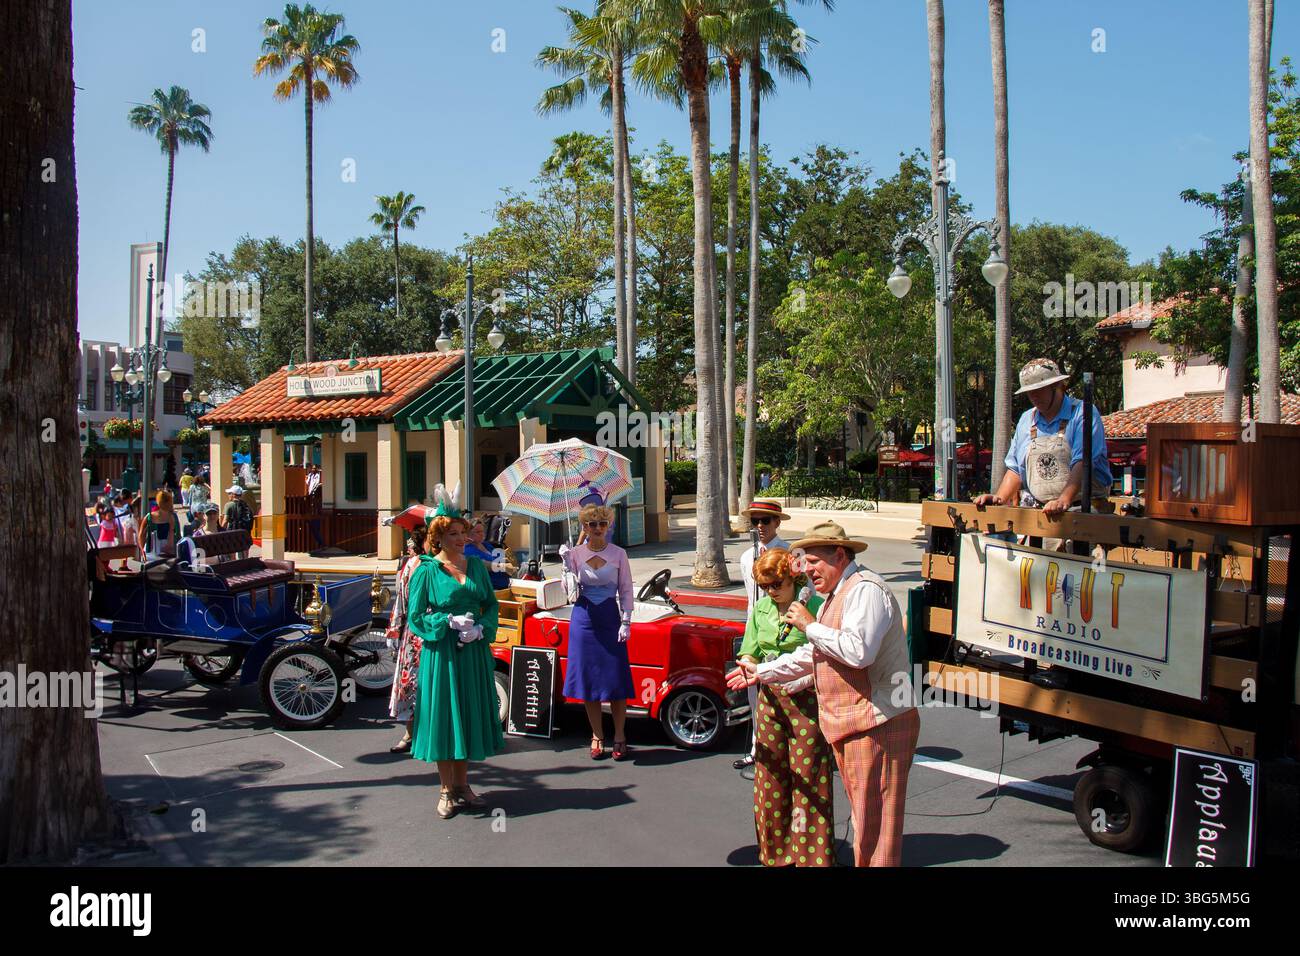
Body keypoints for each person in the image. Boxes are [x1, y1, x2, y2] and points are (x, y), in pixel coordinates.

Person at [734, 521, 919, 867]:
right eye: (804, 564)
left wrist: (808, 625)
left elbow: (857, 651)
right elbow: (814, 656)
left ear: (839, 554)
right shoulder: (835, 596)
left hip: (879, 720)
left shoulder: (865, 590)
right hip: (853, 721)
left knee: (876, 825)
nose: (807, 571)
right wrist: (763, 672)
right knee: (866, 821)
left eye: (814, 562)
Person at [725, 548, 832, 867]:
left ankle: (810, 855)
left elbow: (819, 652)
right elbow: (750, 649)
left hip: (806, 697)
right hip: (771, 698)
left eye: (777, 585)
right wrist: (746, 664)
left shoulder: (813, 606)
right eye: (766, 586)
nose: (771, 592)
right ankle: (776, 853)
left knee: (808, 776)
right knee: (770, 774)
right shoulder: (761, 609)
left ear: (793, 579)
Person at [407, 483, 504, 819]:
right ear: (439, 537)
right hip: (443, 655)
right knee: (445, 718)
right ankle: (446, 789)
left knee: (466, 714)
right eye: (454, 534)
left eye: (463, 532)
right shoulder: (426, 570)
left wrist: (481, 628)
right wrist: (446, 622)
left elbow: (490, 606)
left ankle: (463, 785)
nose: (462, 539)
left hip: (472, 652)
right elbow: (415, 617)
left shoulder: (477, 567)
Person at [975, 358, 1111, 517]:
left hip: (1085, 510)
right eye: (1029, 392)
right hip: (1045, 511)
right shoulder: (1027, 419)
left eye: (1039, 389)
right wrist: (999, 498)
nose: (1033, 396)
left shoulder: (1083, 412)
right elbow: (1016, 469)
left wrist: (1063, 500)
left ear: (1058, 386)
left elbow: (1083, 463)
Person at [560, 487, 636, 761]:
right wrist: (566, 567)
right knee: (589, 681)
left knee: (615, 680)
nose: (597, 528)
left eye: (602, 523)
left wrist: (626, 619)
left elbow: (626, 588)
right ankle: (596, 735)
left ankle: (619, 734)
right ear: (584, 526)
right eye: (592, 524)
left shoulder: (618, 554)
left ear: (609, 524)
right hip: (583, 617)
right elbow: (569, 593)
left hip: (609, 617)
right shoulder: (576, 553)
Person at [733, 499, 791, 771]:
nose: (759, 526)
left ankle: (790, 748)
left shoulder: (791, 554)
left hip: (784, 631)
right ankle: (759, 747)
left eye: (765, 521)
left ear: (777, 523)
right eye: (755, 521)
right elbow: (750, 600)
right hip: (755, 627)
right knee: (754, 693)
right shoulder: (747, 557)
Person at [386, 525, 428, 753]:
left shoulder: (427, 565)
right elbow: (402, 601)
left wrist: (394, 629)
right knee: (415, 683)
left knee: (418, 683)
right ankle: (411, 733)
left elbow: (400, 602)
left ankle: (415, 734)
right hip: (417, 632)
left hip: (422, 631)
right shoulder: (416, 565)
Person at [464, 515, 515, 590]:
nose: (481, 534)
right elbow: (481, 564)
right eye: (477, 532)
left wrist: (505, 559)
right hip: (488, 589)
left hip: (505, 586)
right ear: (468, 534)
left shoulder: (487, 545)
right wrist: (502, 566)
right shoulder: (467, 549)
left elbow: (498, 559)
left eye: (482, 531)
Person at [147, 489, 182, 558]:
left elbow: (142, 535)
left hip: (153, 550)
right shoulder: (173, 516)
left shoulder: (149, 516)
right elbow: (177, 534)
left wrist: (143, 551)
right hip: (170, 550)